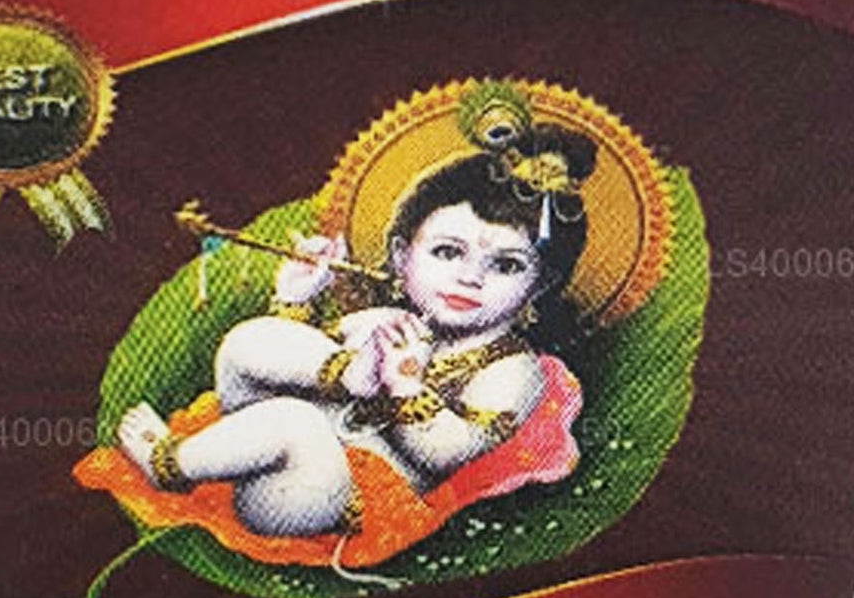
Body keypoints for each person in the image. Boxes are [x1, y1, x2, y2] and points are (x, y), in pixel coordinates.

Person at [116, 125, 597, 539]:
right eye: (448, 252)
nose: (470, 278)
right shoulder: (387, 319)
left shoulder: (512, 368)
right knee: (248, 340)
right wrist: (295, 300)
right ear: (402, 256)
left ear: (540, 285)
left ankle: (170, 466)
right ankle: (348, 376)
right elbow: (278, 372)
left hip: (326, 496)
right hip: (259, 442)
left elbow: (451, 453)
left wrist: (406, 387)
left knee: (295, 421)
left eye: (506, 265)